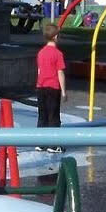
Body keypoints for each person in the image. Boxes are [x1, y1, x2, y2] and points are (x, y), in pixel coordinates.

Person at [35, 21, 66, 152]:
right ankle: (54, 145)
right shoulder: (58, 54)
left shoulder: (41, 53)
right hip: (53, 87)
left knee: (42, 115)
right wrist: (64, 91)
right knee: (54, 115)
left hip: (41, 86)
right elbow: (60, 72)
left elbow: (39, 70)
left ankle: (41, 143)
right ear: (56, 37)